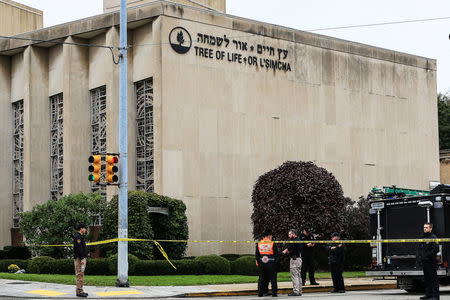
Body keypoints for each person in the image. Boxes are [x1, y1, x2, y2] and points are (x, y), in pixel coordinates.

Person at [418, 222, 439, 300]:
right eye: (424, 227)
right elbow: (420, 248)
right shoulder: (423, 237)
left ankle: (435, 296)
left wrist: (427, 255)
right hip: (424, 262)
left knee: (433, 279)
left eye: (426, 227)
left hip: (431, 261)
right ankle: (428, 294)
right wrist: (420, 257)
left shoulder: (434, 237)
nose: (425, 229)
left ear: (430, 228)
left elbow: (436, 249)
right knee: (427, 279)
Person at [256, 229, 278, 297]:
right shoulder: (272, 243)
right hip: (271, 263)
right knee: (273, 278)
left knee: (261, 278)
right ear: (269, 236)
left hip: (262, 263)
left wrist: (259, 262)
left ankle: (260, 293)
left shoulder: (259, 244)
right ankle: (274, 293)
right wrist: (275, 262)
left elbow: (257, 255)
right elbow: (276, 254)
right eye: (271, 236)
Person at [282, 229, 303, 296]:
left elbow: (288, 250)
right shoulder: (299, 240)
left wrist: (283, 252)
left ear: (294, 234)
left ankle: (296, 291)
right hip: (299, 259)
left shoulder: (293, 241)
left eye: (290, 234)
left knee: (294, 276)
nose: (289, 236)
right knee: (299, 276)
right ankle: (299, 291)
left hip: (294, 260)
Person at [73, 223, 89, 298]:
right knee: (79, 274)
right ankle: (79, 291)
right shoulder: (77, 237)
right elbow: (79, 249)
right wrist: (82, 258)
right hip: (80, 259)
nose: (85, 230)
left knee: (81, 274)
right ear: (81, 229)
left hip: (81, 258)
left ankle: (81, 290)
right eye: (85, 228)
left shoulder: (80, 237)